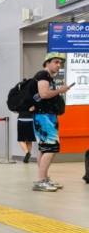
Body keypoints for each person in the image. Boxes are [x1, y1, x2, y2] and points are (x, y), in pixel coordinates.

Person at [31, 53, 73, 192]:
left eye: (60, 63)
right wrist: (60, 90)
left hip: (44, 117)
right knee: (51, 149)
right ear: (47, 62)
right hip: (45, 117)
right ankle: (41, 180)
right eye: (56, 62)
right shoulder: (43, 75)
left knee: (43, 148)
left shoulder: (46, 76)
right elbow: (44, 94)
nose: (59, 65)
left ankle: (43, 178)